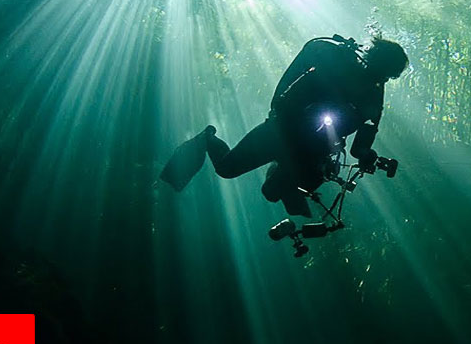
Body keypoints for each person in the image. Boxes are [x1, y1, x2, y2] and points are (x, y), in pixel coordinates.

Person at [160, 34, 409, 216]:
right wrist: (281, 115)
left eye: (388, 76)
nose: (382, 79)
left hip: (310, 151)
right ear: (376, 61)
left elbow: (361, 144)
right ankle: (207, 138)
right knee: (226, 169)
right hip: (280, 132)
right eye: (385, 72)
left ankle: (278, 169)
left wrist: (367, 155)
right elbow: (289, 90)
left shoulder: (374, 95)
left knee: (273, 192)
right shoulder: (336, 65)